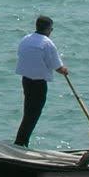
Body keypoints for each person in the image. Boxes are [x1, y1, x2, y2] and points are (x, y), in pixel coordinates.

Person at [13, 16, 68, 147]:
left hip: (26, 80)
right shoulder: (47, 43)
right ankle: (21, 143)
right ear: (48, 29)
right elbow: (57, 66)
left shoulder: (26, 39)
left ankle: (21, 141)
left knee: (28, 112)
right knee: (33, 114)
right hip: (38, 84)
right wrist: (64, 70)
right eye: (51, 29)